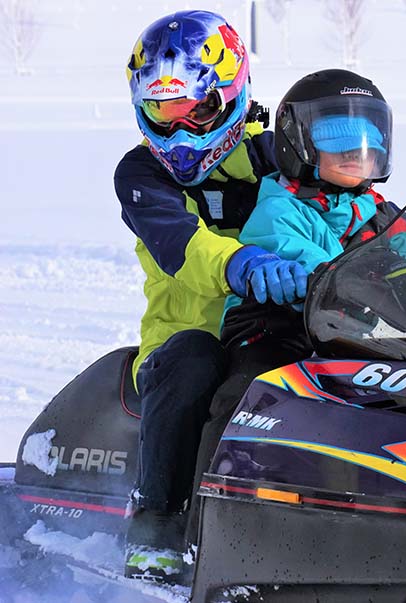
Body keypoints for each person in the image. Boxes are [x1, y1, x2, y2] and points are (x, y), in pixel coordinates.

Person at [184, 69, 406, 544]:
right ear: (299, 146)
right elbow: (319, 270)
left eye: (365, 144)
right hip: (278, 329)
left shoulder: (375, 209)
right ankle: (200, 533)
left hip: (350, 335)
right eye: (339, 143)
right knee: (247, 398)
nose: (356, 154)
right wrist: (387, 276)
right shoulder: (279, 208)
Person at [115, 10, 308, 581]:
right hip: (182, 346)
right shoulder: (141, 174)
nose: (179, 131)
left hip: (272, 330)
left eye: (196, 110)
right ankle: (156, 523)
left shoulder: (277, 156)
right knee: (196, 359)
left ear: (231, 96)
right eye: (163, 111)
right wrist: (241, 263)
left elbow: (346, 194)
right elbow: (182, 244)